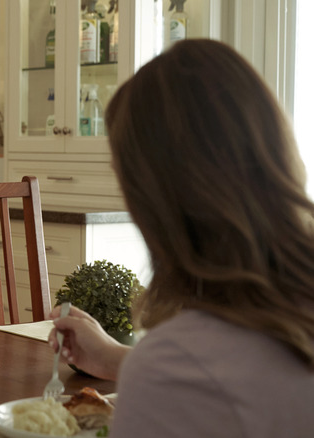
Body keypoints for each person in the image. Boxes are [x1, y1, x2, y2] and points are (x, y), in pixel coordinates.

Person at [49, 39, 314, 437]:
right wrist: (118, 358)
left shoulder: (176, 370)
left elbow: (209, 378)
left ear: (155, 201)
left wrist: (146, 366)